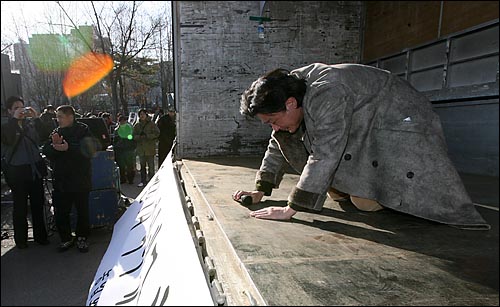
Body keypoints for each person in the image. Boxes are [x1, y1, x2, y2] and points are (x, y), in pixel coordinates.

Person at [233, 63, 489, 229]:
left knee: (364, 202)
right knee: (338, 191)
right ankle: (359, 188)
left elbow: (326, 152)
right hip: (364, 118)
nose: (273, 127)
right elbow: (279, 143)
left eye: (272, 121)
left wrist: (292, 209)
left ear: (290, 104)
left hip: (398, 117)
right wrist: (261, 189)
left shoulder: (325, 92)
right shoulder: (287, 91)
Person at [42, 105, 96, 252]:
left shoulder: (83, 130)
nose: (57, 120)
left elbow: (90, 150)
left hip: (80, 178)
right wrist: (55, 146)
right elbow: (46, 150)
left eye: (60, 116)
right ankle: (66, 238)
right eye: (57, 117)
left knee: (82, 211)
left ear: (70, 116)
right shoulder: (56, 132)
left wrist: (68, 148)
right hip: (61, 180)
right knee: (61, 211)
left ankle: (82, 237)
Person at [1, 96, 49, 249]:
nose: (20, 110)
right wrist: (14, 121)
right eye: (16, 108)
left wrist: (37, 118)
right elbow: (8, 140)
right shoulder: (6, 127)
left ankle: (40, 236)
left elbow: (44, 136)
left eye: (22, 107)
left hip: (34, 170)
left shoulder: (30, 125)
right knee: (20, 207)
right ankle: (21, 240)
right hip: (17, 172)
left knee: (38, 204)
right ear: (9, 111)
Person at [133, 109, 160, 187]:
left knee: (151, 167)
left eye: (143, 114)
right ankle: (143, 181)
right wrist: (139, 137)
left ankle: (152, 181)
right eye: (140, 114)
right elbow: (133, 136)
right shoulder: (137, 125)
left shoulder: (151, 124)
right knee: (142, 167)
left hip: (150, 149)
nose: (142, 116)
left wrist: (148, 136)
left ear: (146, 115)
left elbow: (157, 133)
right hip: (141, 149)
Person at [113, 115, 136, 184]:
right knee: (121, 166)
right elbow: (114, 140)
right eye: (121, 121)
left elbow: (132, 138)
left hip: (128, 149)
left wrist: (128, 138)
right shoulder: (116, 130)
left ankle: (130, 179)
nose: (122, 122)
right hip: (120, 150)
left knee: (130, 165)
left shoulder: (130, 129)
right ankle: (123, 179)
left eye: (124, 121)